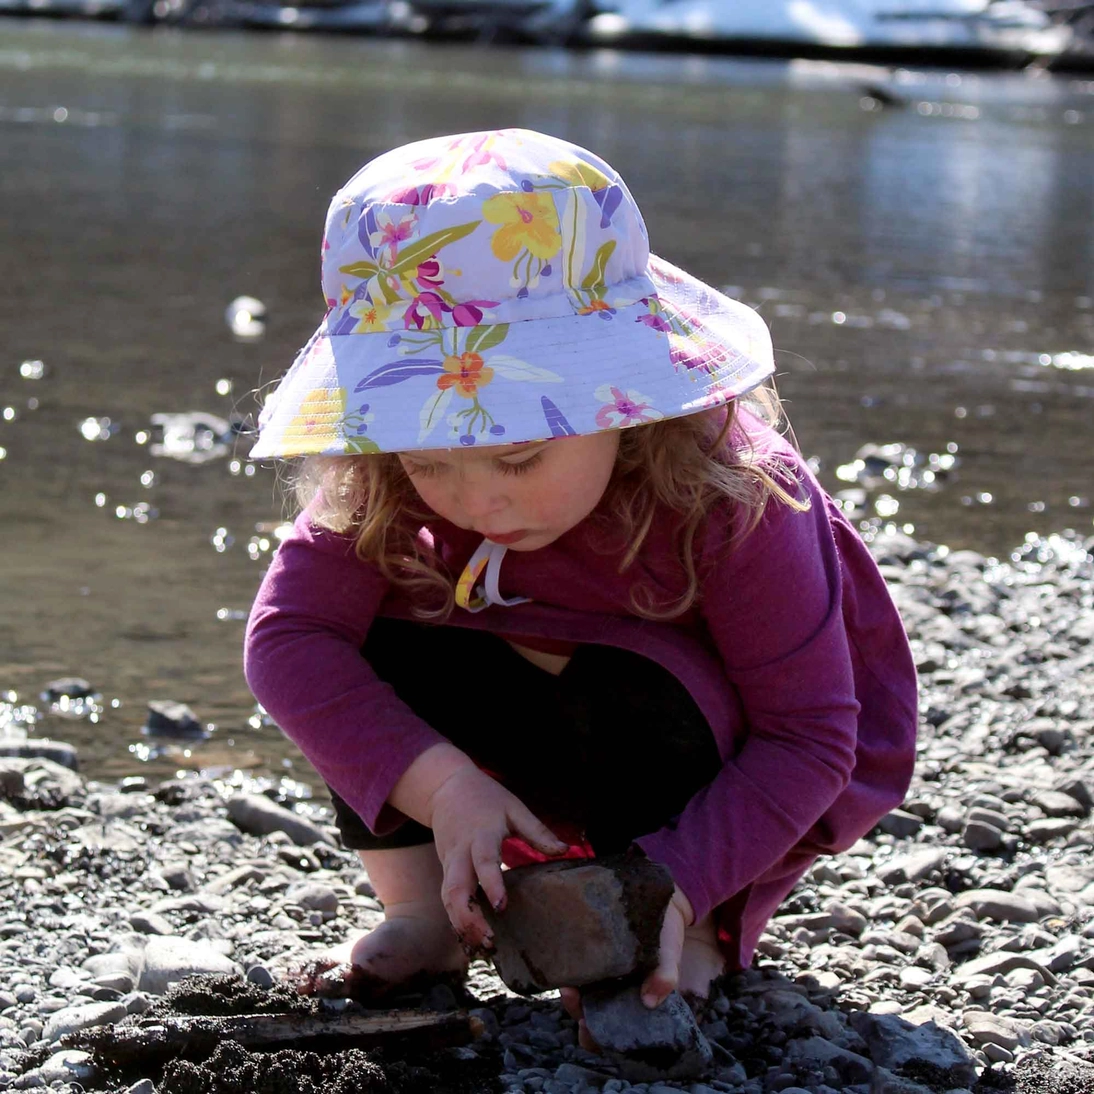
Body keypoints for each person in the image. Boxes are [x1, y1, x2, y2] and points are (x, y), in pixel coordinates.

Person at [244, 128, 918, 1020]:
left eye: (518, 457)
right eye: (430, 463)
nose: (475, 500)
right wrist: (444, 787)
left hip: (697, 752)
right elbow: (289, 640)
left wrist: (675, 887)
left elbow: (808, 737)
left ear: (627, 404)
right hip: (499, 747)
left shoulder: (736, 493)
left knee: (633, 676)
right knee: (363, 631)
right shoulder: (385, 479)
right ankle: (423, 910)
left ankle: (696, 924)